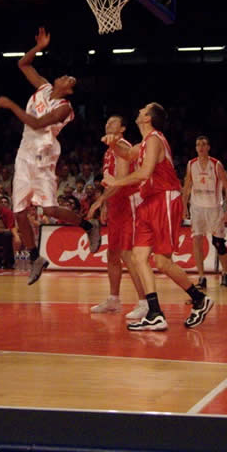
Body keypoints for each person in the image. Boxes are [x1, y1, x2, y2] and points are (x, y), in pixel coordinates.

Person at [0, 26, 100, 285]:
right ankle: (35, 258)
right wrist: (38, 48)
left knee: (49, 208)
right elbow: (23, 64)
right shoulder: (43, 87)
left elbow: (37, 123)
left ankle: (88, 226)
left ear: (69, 91)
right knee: (19, 211)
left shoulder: (65, 108)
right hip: (24, 153)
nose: (66, 77)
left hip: (44, 154)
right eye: (66, 75)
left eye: (71, 80)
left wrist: (11, 105)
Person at [102, 103, 213, 331]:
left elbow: (144, 172)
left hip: (164, 199)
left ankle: (200, 299)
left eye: (144, 109)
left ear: (148, 118)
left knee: (162, 262)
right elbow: (126, 153)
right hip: (149, 200)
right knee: (138, 257)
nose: (140, 110)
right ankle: (154, 312)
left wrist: (116, 182)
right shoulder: (143, 144)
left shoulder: (154, 139)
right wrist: (113, 145)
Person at [86, 115, 146, 319]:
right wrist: (107, 204)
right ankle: (113, 299)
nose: (107, 125)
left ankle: (145, 302)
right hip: (116, 205)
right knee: (112, 254)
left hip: (129, 203)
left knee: (128, 255)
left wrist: (99, 201)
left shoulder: (122, 146)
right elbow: (110, 182)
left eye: (113, 123)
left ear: (122, 129)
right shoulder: (108, 151)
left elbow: (120, 180)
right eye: (107, 122)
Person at [182, 136, 227, 289]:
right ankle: (201, 277)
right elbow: (186, 186)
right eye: (198, 144)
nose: (201, 147)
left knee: (218, 243)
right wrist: (184, 207)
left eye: (204, 144)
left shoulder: (216, 165)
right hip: (197, 208)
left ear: (209, 147)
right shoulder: (191, 164)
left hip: (214, 208)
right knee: (197, 240)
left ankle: (225, 272)